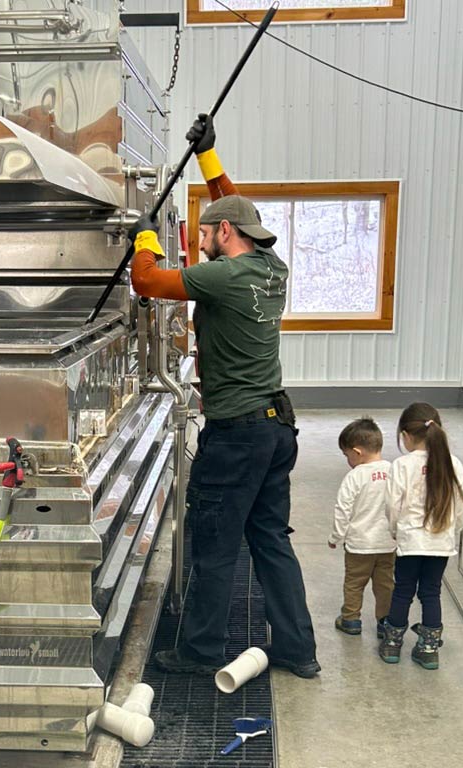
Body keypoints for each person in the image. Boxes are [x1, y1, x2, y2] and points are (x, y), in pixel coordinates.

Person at [128, 114, 319, 679]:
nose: (202, 239)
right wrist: (210, 159)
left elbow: (148, 283)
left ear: (224, 237)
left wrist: (144, 238)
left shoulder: (220, 278)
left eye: (206, 232)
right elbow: (238, 210)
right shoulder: (271, 267)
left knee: (213, 543)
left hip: (236, 435)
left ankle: (199, 652)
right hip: (276, 429)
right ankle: (295, 649)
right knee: (270, 540)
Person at [378, 403, 463, 669]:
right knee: (431, 592)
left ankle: (392, 645)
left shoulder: (402, 465)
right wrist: (453, 531)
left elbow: (392, 505)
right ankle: (428, 649)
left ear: (405, 435)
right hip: (441, 543)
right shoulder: (454, 464)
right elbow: (462, 505)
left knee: (402, 591)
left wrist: (396, 531)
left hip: (410, 541)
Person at [328, 418, 396, 637]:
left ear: (357, 452)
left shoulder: (354, 476)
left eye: (347, 455)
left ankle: (350, 620)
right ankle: (385, 621)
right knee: (385, 585)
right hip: (388, 544)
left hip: (359, 545)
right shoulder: (395, 471)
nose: (348, 460)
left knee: (354, 583)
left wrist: (336, 536)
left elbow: (343, 509)